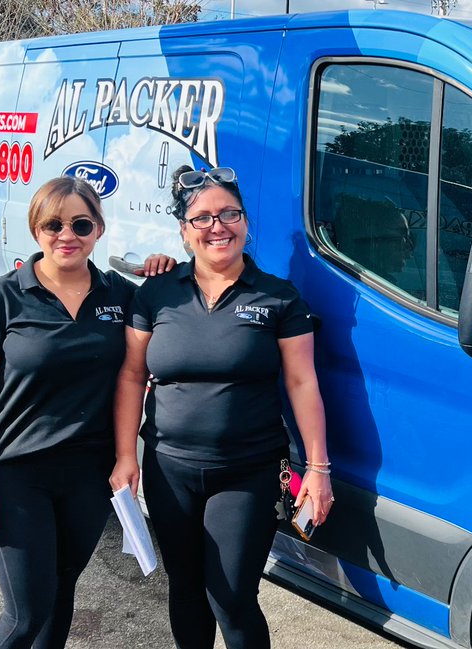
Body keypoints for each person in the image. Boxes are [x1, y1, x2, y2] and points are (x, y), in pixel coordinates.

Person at [110, 165, 332, 649]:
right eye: (203, 217)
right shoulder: (157, 292)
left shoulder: (277, 297)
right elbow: (131, 375)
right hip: (170, 469)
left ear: (246, 222)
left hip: (247, 471)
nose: (218, 226)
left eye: (229, 213)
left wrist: (318, 468)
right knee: (185, 589)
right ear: (184, 231)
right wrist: (127, 456)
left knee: (231, 597)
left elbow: (302, 381)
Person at [0, 176, 175, 649]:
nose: (66, 235)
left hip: (87, 477)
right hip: (16, 473)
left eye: (80, 223)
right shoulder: (1, 298)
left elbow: (140, 363)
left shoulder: (120, 295)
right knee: (25, 614)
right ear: (36, 229)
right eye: (53, 224)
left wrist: (166, 271)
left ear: (98, 229)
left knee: (59, 595)